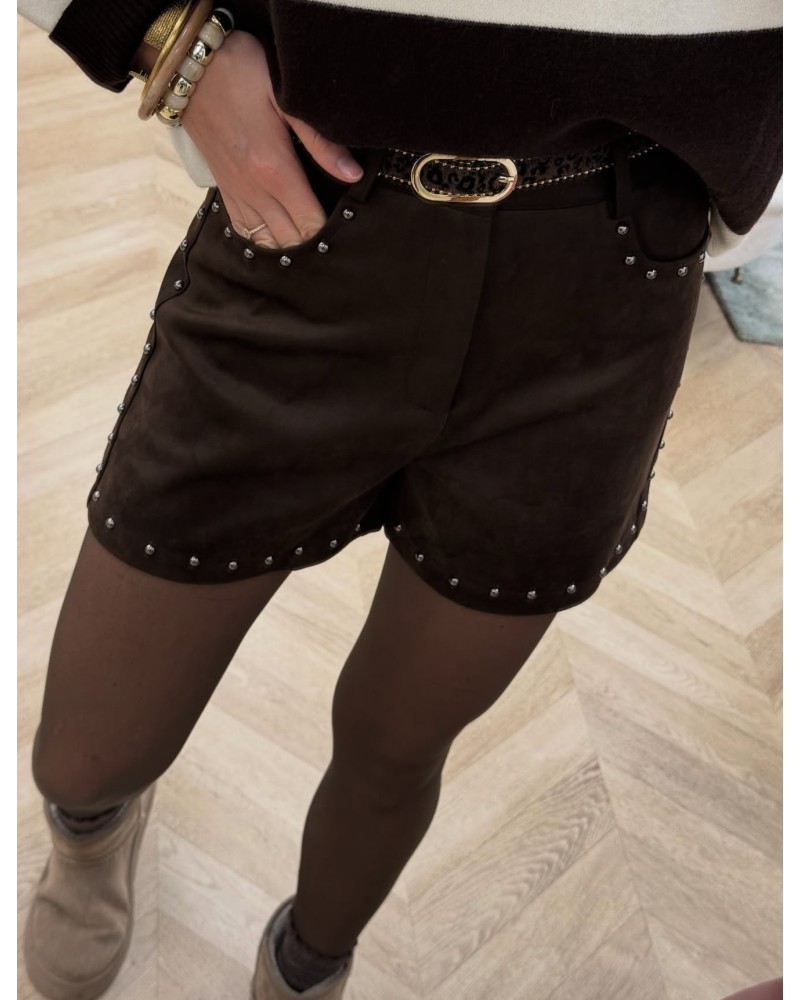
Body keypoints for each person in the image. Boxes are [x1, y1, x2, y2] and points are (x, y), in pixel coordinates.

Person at [18, 2, 782, 999]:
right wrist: (165, 39)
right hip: (316, 217)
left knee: (400, 742)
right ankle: (89, 830)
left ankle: (307, 966)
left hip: (609, 280)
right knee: (85, 753)